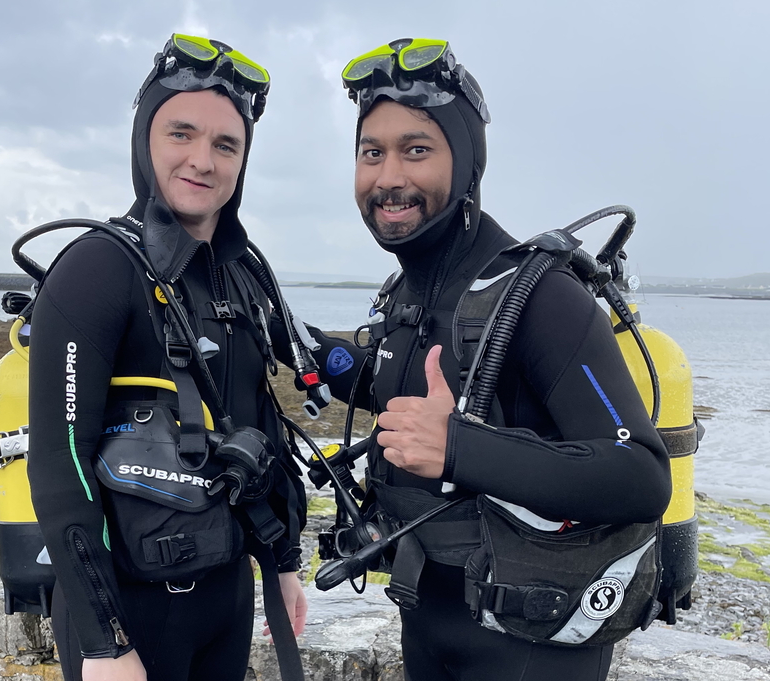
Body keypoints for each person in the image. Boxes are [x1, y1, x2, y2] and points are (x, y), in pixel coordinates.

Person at [279, 38, 672, 680]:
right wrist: (323, 353)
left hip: (529, 645)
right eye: (371, 153)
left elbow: (639, 476)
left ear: (465, 163)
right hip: (427, 621)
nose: (389, 177)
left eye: (417, 150)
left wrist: (460, 449)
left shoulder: (540, 297)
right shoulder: (402, 295)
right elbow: (404, 393)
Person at [26, 35, 307, 681]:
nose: (202, 160)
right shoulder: (96, 269)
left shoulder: (239, 278)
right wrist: (104, 642)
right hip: (130, 612)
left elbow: (258, 426)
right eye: (182, 133)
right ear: (145, 139)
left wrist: (283, 562)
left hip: (225, 595)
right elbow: (60, 466)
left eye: (225, 144)